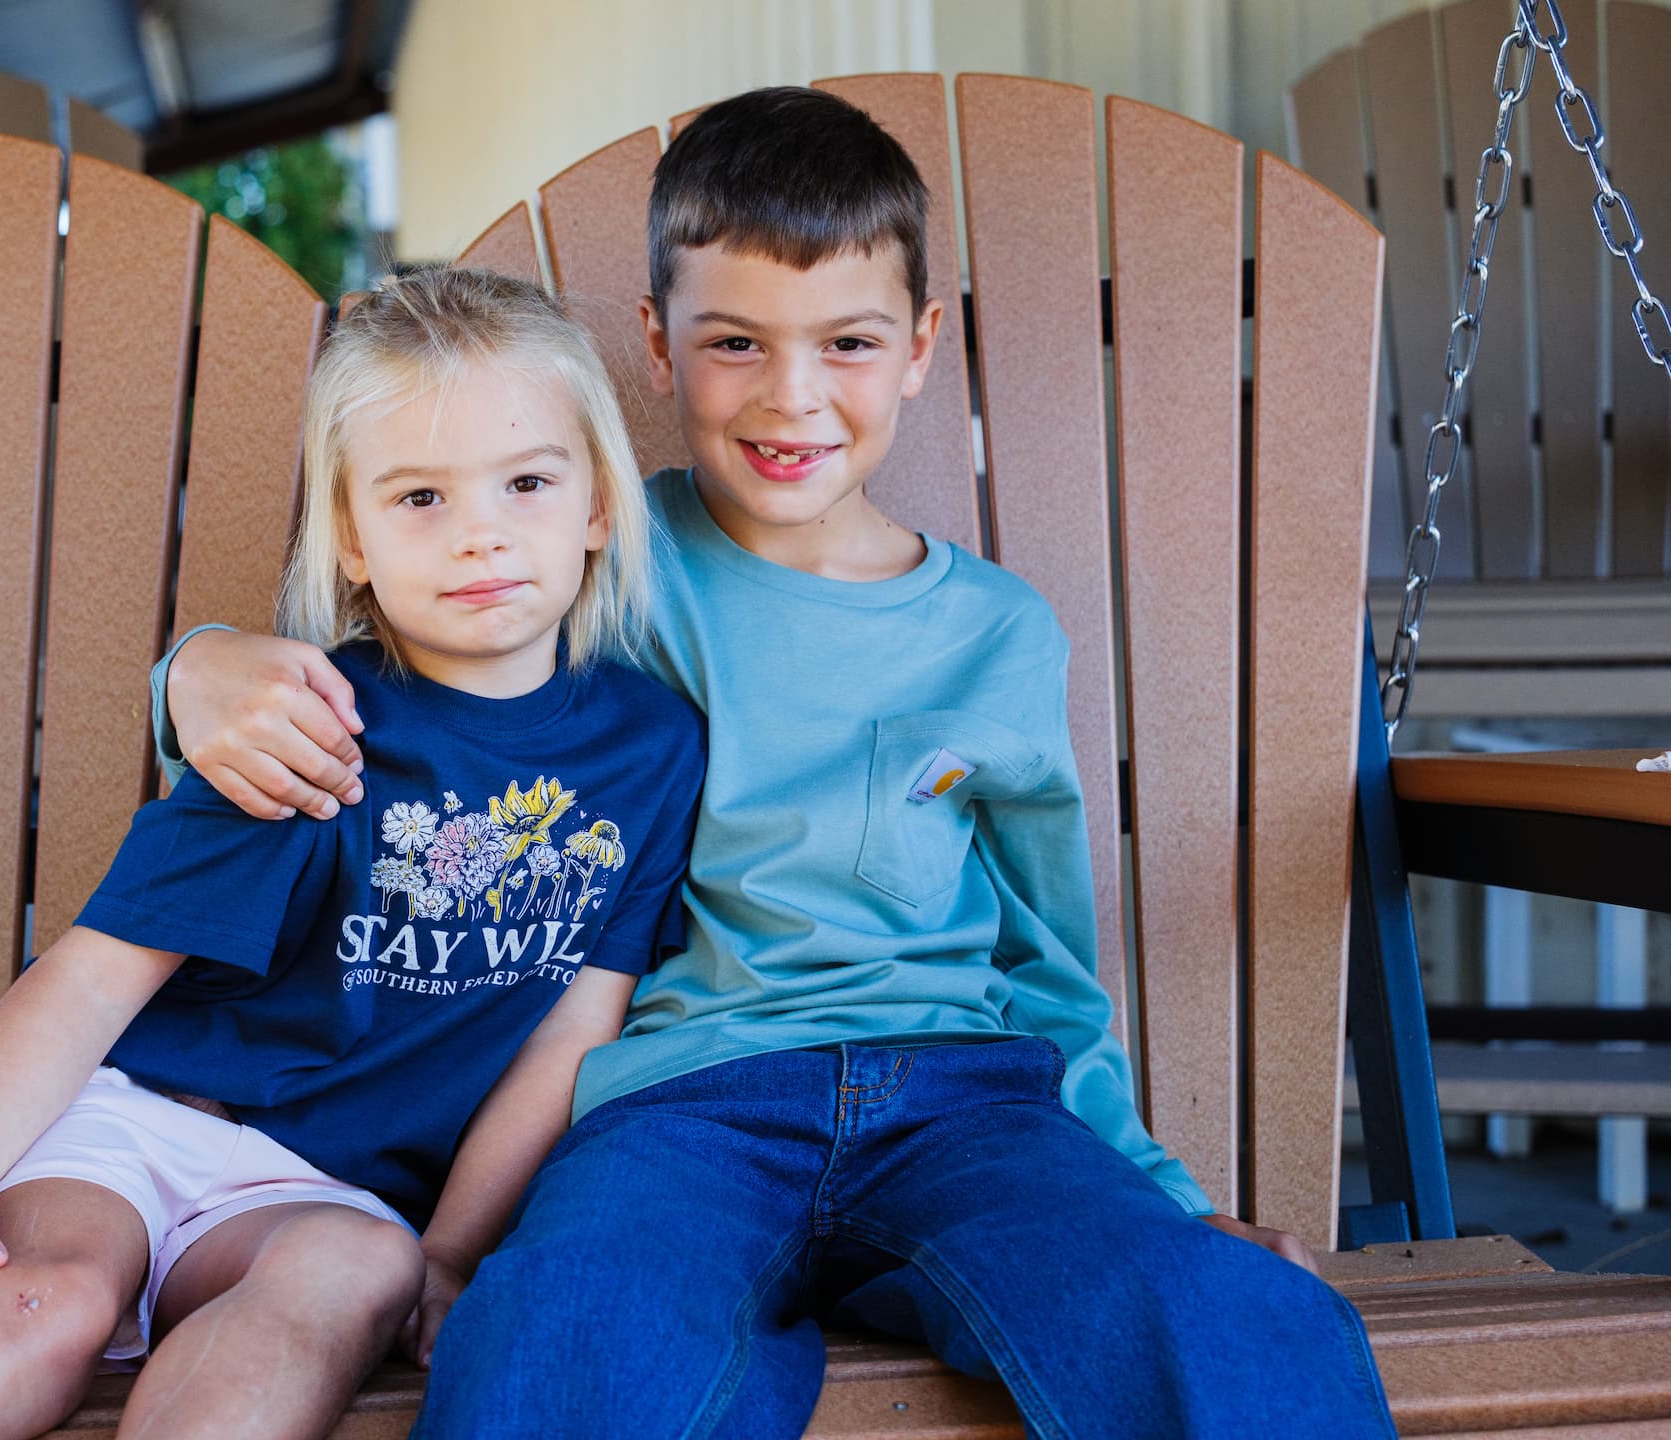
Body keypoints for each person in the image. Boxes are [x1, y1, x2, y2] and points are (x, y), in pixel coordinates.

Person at [154, 87, 1397, 1440]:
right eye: (735, 341)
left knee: (1226, 1321)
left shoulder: (997, 636)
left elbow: (1048, 965)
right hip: (674, 1111)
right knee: (560, 1338)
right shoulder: (595, 563)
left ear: (921, 346)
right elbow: (396, 664)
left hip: (966, 1106)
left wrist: (1158, 1196)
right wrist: (197, 670)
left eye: (848, 344)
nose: (792, 396)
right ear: (659, 344)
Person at [0, 267, 705, 1440]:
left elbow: (577, 1027)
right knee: (44, 1300)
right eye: (420, 498)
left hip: (326, 1200)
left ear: (596, 510)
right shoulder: (298, 722)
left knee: (352, 1276)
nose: (481, 533)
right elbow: (96, 973)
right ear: (352, 538)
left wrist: (450, 1251)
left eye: (526, 482)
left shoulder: (649, 752)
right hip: (142, 1125)